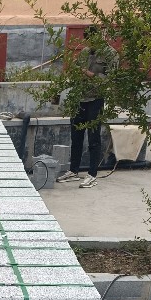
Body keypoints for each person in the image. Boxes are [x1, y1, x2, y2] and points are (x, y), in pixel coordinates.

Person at [57, 27, 114, 188]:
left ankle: (92, 174)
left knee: (93, 139)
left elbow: (111, 77)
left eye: (92, 39)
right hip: (80, 98)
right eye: (88, 40)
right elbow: (76, 70)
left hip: (95, 99)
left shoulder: (110, 54)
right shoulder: (85, 52)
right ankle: (73, 171)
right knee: (76, 136)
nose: (90, 43)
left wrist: (92, 75)